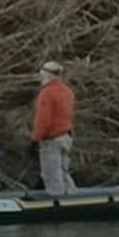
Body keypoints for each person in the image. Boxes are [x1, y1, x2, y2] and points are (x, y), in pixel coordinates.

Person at [29, 61, 77, 196]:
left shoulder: (47, 93)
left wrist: (35, 139)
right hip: (66, 137)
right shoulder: (68, 92)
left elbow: (43, 120)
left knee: (51, 174)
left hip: (51, 139)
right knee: (64, 172)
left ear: (46, 74)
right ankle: (73, 199)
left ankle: (56, 202)